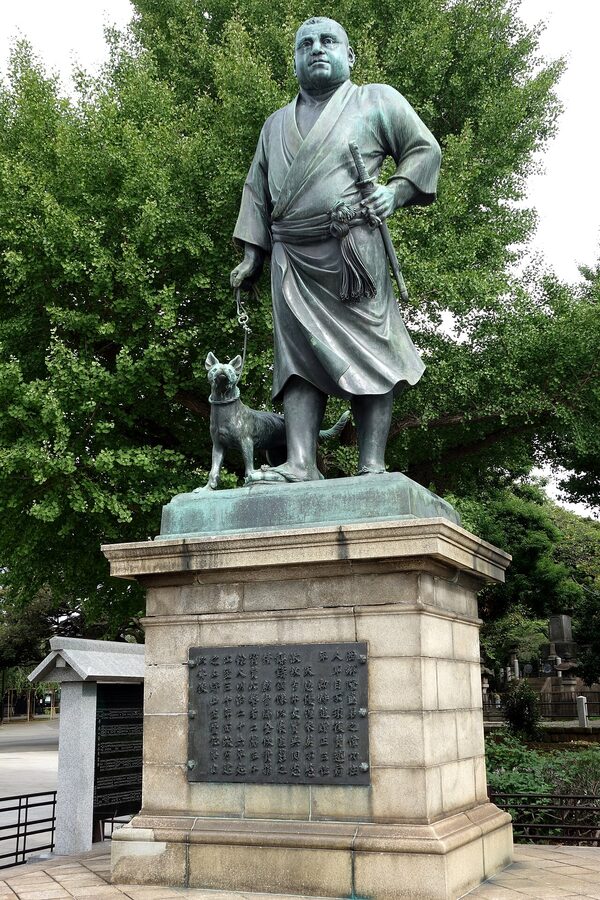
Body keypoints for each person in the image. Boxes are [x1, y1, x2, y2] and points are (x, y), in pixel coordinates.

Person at [231, 16, 441, 482]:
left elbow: (425, 150)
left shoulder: (376, 100)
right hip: (291, 255)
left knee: (373, 348)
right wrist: (251, 254)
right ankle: (301, 462)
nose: (317, 49)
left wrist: (396, 190)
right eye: (305, 44)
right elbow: (256, 190)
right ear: (294, 60)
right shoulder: (275, 124)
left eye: (328, 41)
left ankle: (372, 465)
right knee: (297, 356)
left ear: (350, 55)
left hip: (352, 250)